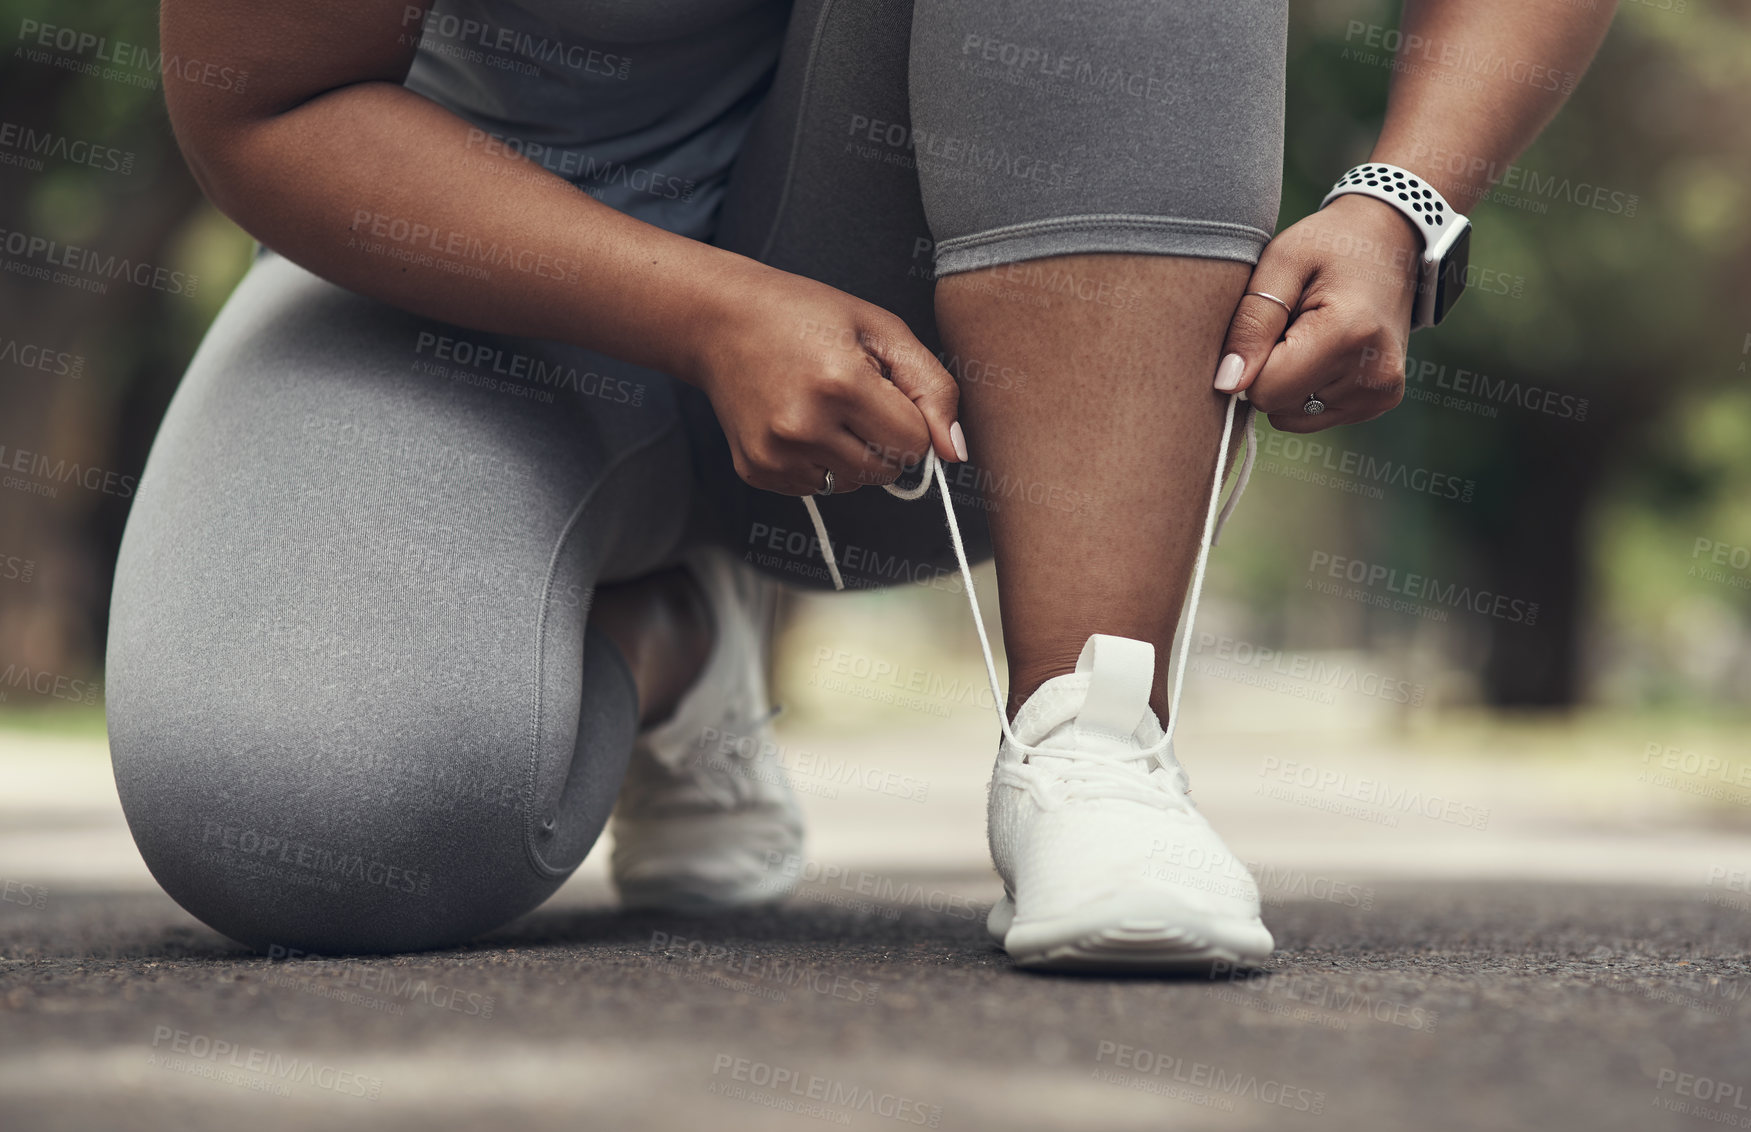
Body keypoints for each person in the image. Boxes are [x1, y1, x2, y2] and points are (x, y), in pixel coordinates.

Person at [107, 0, 1612, 969]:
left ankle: (1090, 735)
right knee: (298, 817)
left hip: (971, 315)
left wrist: (1405, 198)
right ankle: (675, 644)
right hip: (496, 258)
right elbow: (265, 103)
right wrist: (704, 311)